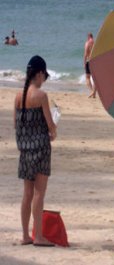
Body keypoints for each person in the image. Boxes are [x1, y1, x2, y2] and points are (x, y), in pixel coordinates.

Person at [14, 55, 57, 247]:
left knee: (27, 194)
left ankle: (25, 235)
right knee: (39, 193)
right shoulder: (41, 96)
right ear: (39, 74)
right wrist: (53, 132)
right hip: (40, 149)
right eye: (44, 76)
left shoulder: (18, 96)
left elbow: (17, 126)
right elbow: (51, 126)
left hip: (25, 150)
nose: (44, 80)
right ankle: (38, 236)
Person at [83, 32, 96, 98]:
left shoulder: (87, 43)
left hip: (89, 61)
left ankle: (92, 92)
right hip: (95, 61)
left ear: (88, 37)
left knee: (87, 77)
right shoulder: (95, 43)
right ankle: (94, 92)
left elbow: (85, 54)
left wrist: (84, 63)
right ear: (92, 37)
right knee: (95, 78)